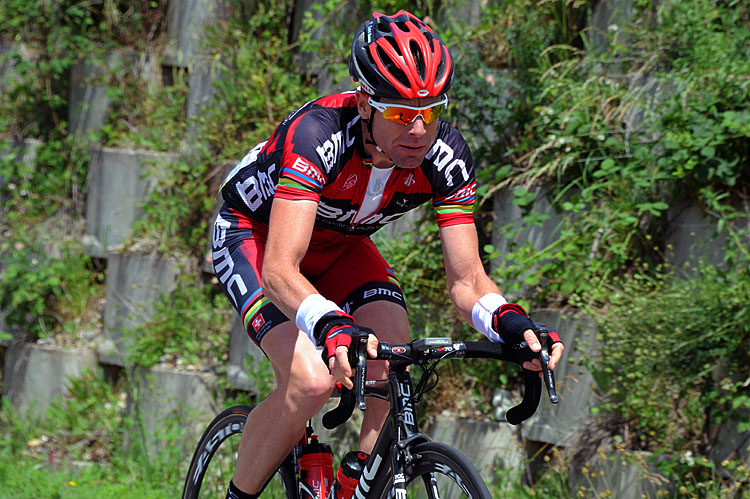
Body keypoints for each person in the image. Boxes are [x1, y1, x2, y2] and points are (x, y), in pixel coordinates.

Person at [212, 10, 565, 498]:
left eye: (431, 111)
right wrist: (330, 324)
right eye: (400, 114)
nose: (418, 130)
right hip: (257, 238)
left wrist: (508, 322)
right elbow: (280, 269)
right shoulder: (319, 135)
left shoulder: (446, 157)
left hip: (341, 247)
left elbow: (466, 281)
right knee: (311, 383)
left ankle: (358, 478)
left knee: (392, 351)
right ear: (363, 103)